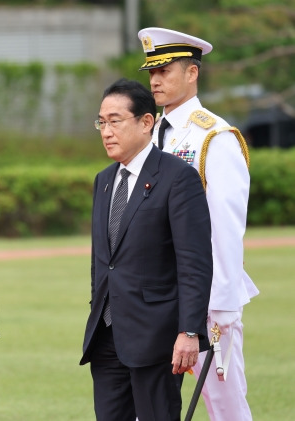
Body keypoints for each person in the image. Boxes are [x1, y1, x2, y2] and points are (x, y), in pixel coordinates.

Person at [137, 27, 260, 421]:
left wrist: (221, 306)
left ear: (192, 73)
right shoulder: (148, 132)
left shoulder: (214, 138)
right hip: (152, 296)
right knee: (148, 405)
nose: (155, 79)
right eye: (151, 71)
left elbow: (225, 226)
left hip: (202, 299)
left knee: (225, 407)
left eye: (166, 69)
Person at [80, 78, 213, 421]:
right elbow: (103, 263)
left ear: (146, 122)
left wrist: (189, 332)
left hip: (157, 338)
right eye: (101, 122)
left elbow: (194, 262)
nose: (106, 131)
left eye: (115, 120)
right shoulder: (104, 180)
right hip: (107, 335)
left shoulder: (178, 178)